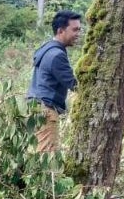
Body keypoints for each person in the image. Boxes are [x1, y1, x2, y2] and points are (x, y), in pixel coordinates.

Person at [26, 10, 82, 152]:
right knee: (47, 154)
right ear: (60, 31)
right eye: (75, 30)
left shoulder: (47, 48)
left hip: (34, 106)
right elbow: (74, 85)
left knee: (36, 151)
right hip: (46, 109)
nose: (78, 34)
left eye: (79, 30)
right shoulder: (57, 55)